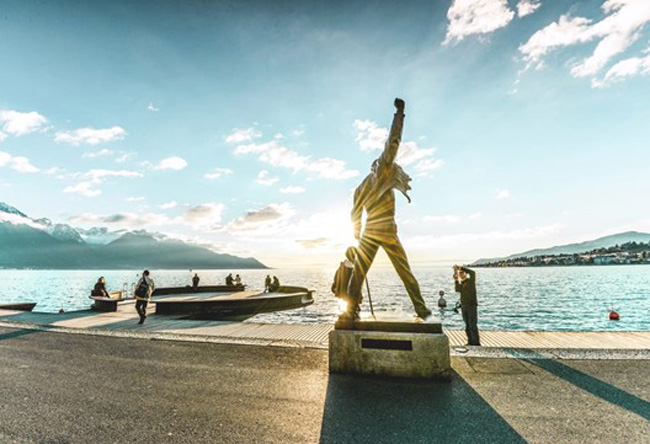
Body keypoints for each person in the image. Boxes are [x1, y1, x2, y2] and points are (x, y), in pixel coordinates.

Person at [346, 98, 432, 321]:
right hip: (386, 230)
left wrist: (356, 230)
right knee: (404, 271)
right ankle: (421, 309)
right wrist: (400, 113)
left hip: (369, 233)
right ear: (380, 165)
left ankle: (349, 309)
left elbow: (354, 212)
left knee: (358, 273)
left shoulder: (361, 186)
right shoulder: (384, 169)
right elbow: (393, 141)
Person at [454, 265, 480, 346]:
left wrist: (461, 267)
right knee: (467, 326)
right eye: (460, 273)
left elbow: (473, 272)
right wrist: (456, 280)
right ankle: (470, 342)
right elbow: (457, 289)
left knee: (472, 325)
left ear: (466, 273)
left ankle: (476, 343)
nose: (461, 274)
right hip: (464, 306)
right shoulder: (462, 284)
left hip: (471, 306)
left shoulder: (471, 281)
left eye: (462, 273)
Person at [331, 247, 356, 313]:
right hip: (348, 292)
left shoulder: (342, 267)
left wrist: (335, 286)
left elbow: (336, 277)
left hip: (345, 292)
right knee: (350, 306)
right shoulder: (355, 267)